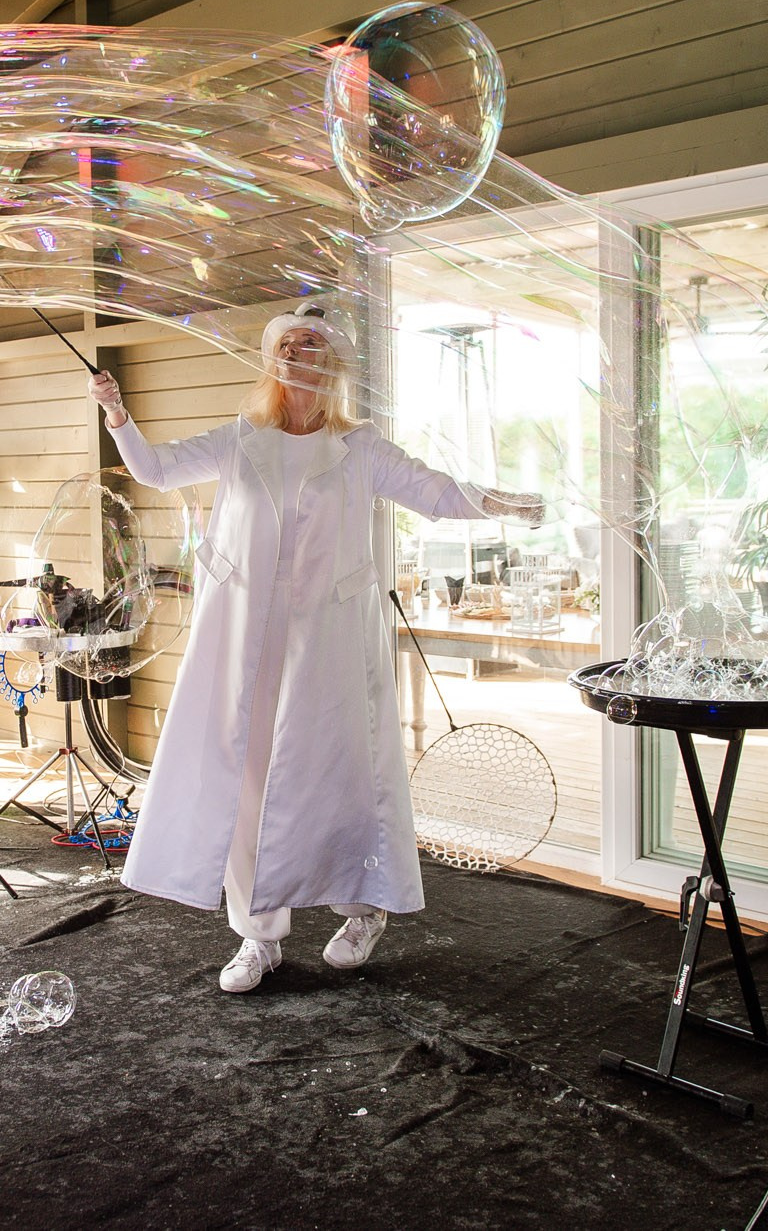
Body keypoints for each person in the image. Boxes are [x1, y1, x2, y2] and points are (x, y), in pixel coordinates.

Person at [87, 309, 543, 992]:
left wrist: (502, 503)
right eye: (288, 342)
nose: (300, 350)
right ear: (272, 359)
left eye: (313, 343)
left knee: (341, 773)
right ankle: (257, 935)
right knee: (248, 778)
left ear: (332, 364)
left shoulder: (359, 447)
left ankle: (363, 910)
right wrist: (116, 412)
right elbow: (154, 470)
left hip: (329, 639)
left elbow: (437, 493)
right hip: (246, 638)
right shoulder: (240, 440)